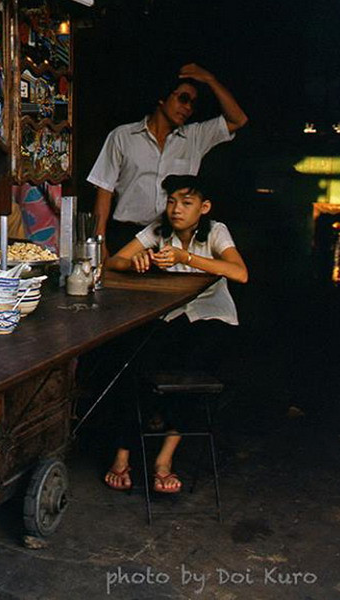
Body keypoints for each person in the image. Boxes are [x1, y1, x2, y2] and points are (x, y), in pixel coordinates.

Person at [101, 174, 248, 494]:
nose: (176, 209)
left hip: (212, 316)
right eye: (171, 201)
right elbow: (114, 262)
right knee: (135, 360)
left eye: (186, 202)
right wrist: (134, 261)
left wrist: (187, 258)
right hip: (170, 316)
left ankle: (164, 461)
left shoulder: (216, 232)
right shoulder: (158, 230)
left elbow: (240, 273)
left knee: (194, 370)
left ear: (203, 207)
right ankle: (122, 454)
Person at [87, 64, 248, 255]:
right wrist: (100, 242)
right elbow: (104, 190)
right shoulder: (123, 136)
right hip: (126, 235)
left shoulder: (195, 137)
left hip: (173, 238)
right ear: (162, 98)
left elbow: (238, 120)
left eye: (193, 104)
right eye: (183, 99)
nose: (188, 108)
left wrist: (210, 79)